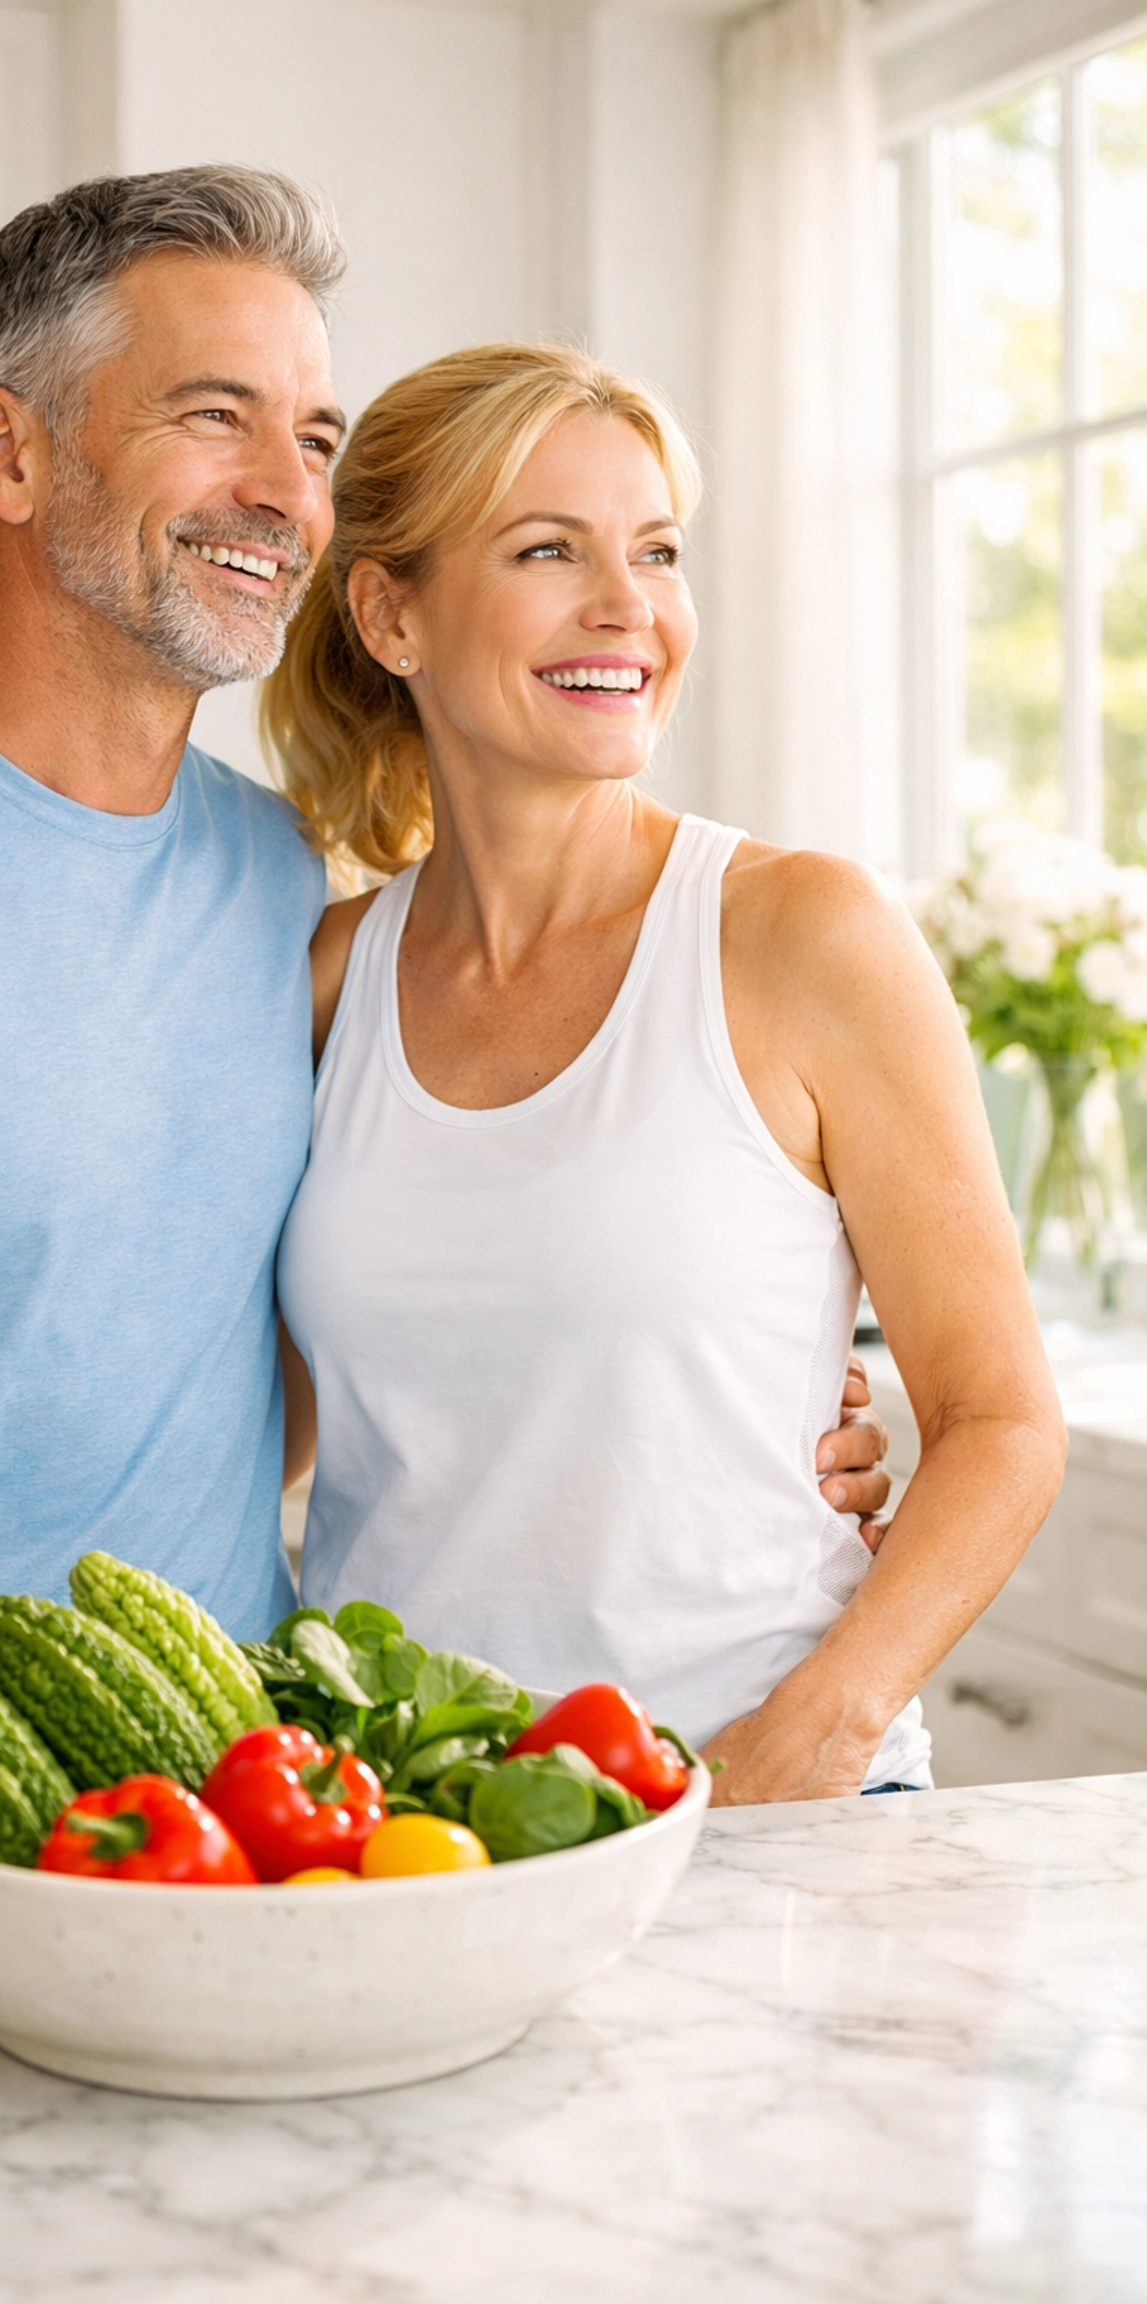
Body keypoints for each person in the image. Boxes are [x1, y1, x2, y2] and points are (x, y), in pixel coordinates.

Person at [0, 176, 889, 1888]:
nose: (288, 494)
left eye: (314, 437)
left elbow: (267, 1332)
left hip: (246, 1851)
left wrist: (760, 1411)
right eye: (216, 417)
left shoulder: (284, 895)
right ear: (6, 457)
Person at [265, 342, 1067, 1800]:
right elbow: (229, 1421)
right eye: (547, 549)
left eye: (657, 551)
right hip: (406, 1831)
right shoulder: (322, 982)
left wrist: (812, 1733)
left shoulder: (803, 938)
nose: (628, 605)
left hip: (761, 1803)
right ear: (391, 613)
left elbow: (1001, 1422)